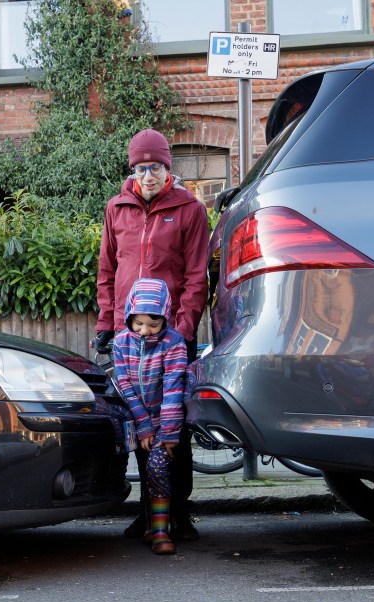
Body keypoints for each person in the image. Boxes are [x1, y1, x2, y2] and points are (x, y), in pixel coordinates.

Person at [94, 128, 209, 541]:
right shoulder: (116, 208)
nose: (149, 175)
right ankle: (148, 514)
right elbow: (108, 271)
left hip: (170, 335)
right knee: (140, 423)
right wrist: (106, 324)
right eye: (142, 168)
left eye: (156, 167)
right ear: (133, 170)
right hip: (132, 336)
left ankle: (180, 512)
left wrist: (181, 329)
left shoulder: (190, 209)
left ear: (167, 168)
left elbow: (197, 276)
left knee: (173, 422)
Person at [112, 278, 188, 555]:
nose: (145, 331)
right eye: (139, 323)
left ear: (165, 317)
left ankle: (160, 531)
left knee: (158, 468)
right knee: (149, 473)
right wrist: (143, 426)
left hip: (167, 418)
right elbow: (125, 387)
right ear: (130, 316)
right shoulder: (121, 343)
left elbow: (173, 388)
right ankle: (151, 525)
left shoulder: (174, 343)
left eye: (153, 325)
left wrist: (168, 432)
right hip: (136, 421)